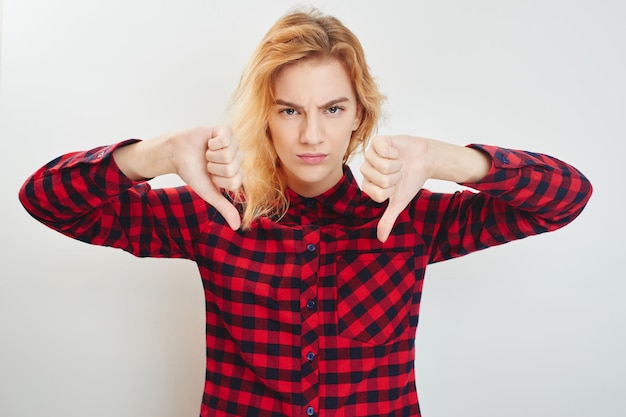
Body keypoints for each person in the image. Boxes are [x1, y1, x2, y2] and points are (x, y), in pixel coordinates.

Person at [19, 7, 592, 417]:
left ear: (359, 115)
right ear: (265, 117)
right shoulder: (215, 213)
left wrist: (450, 161)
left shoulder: (412, 218)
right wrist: (153, 155)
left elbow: (566, 198)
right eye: (289, 110)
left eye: (332, 108)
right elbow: (45, 201)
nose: (312, 134)